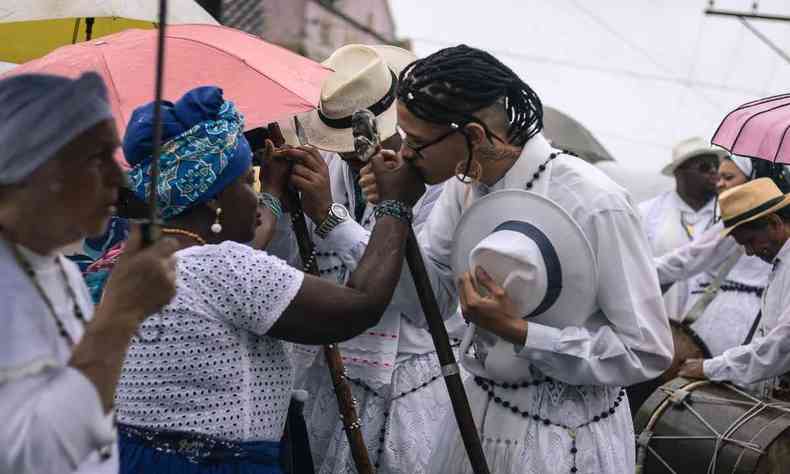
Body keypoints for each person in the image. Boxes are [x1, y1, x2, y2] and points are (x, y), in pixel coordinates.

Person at [360, 44, 673, 473]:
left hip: (565, 438)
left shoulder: (595, 202)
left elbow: (647, 351)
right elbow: (423, 306)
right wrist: (393, 213)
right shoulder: (463, 183)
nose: (406, 153)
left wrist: (521, 332)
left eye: (416, 143)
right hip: (477, 413)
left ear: (472, 135)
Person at [112, 85, 422, 474]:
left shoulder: (140, 256)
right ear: (213, 198)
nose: (255, 198)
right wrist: (395, 205)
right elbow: (361, 306)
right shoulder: (222, 266)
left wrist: (273, 191)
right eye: (247, 182)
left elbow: (249, 249)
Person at [278, 44, 462, 474]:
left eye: (350, 141)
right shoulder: (329, 162)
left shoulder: (441, 185)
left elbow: (421, 303)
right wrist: (286, 207)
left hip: (409, 383)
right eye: (335, 140)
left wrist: (330, 218)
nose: (344, 152)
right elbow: (292, 268)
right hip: (330, 374)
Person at [0, 72, 178, 474]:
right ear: (35, 167)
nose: (121, 178)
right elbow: (31, 460)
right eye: (99, 158)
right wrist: (120, 316)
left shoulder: (58, 267)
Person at [679, 178, 790, 400]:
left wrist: (711, 368)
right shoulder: (782, 263)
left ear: (775, 223)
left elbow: (784, 342)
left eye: (751, 241)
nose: (749, 252)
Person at [655, 155, 771, 356]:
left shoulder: (738, 221)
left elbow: (686, 260)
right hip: (760, 319)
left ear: (752, 181)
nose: (720, 183)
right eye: (719, 177)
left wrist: (634, 271)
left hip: (727, 319)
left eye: (728, 177)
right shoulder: (772, 218)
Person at [639, 137, 727, 320]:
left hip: (709, 329)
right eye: (704, 167)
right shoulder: (646, 213)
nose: (714, 171)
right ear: (679, 173)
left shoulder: (729, 216)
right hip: (656, 324)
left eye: (715, 166)